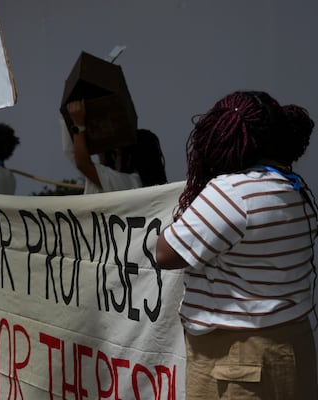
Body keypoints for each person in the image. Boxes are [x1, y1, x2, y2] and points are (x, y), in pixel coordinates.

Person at [155, 90, 318, 399]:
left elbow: (165, 253)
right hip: (292, 348)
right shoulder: (294, 188)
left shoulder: (233, 192)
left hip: (238, 363)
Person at [65, 99, 167, 193]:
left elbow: (82, 164)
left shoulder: (129, 184)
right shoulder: (139, 188)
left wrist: (78, 124)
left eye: (117, 154)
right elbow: (72, 154)